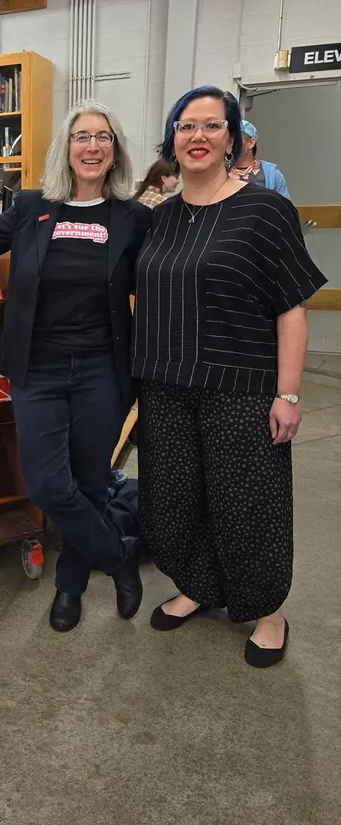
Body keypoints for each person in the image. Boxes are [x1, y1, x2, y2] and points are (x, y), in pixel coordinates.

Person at [0, 101, 153, 632]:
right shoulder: (34, 206)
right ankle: (118, 556)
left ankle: (69, 588)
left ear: (115, 151)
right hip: (38, 369)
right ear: (65, 148)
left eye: (104, 137)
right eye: (82, 136)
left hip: (101, 373)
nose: (93, 146)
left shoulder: (133, 218)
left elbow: (159, 287)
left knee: (89, 483)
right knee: (46, 486)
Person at [132, 85, 326, 667]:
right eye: (187, 126)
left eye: (212, 126)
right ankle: (199, 586)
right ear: (172, 139)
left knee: (248, 507)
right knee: (173, 501)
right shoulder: (159, 220)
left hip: (240, 388)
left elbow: (291, 307)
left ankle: (269, 611)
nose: (198, 136)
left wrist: (287, 393)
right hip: (165, 387)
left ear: (233, 139)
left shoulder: (264, 209)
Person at [231, 119, 291, 198]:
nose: (231, 144)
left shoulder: (272, 175)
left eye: (236, 140)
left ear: (251, 143)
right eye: (228, 140)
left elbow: (285, 208)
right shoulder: (218, 172)